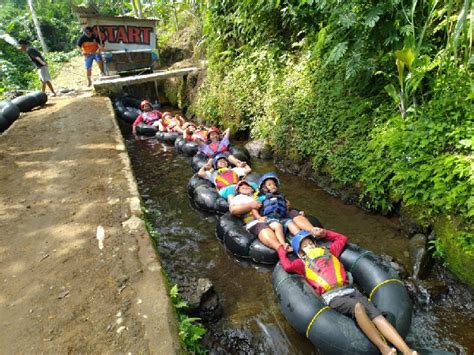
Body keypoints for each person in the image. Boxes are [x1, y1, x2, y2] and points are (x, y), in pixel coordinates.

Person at [278, 230, 417, 355]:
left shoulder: (330, 252)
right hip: (333, 297)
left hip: (350, 291)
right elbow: (287, 266)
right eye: (306, 246)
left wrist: (324, 233)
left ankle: (407, 351)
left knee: (377, 316)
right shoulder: (301, 264)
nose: (311, 246)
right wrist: (281, 249)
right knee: (358, 307)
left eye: (311, 243)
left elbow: (342, 238)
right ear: (301, 253)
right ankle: (384, 349)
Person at [229, 180, 293, 251]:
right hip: (254, 221)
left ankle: (284, 244)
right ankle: (281, 249)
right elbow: (233, 210)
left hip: (268, 218)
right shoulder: (238, 198)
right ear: (238, 191)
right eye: (242, 188)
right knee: (262, 227)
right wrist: (250, 205)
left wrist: (285, 203)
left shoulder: (258, 196)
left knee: (277, 225)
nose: (246, 187)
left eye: (247, 186)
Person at [257, 173, 325, 237]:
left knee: (294, 213)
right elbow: (255, 209)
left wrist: (296, 210)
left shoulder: (281, 196)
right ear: (264, 188)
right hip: (270, 218)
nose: (273, 186)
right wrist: (259, 217)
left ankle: (313, 230)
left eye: (274, 184)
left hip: (283, 216)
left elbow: (288, 207)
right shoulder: (261, 198)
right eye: (269, 185)